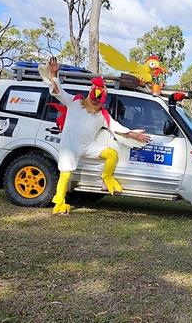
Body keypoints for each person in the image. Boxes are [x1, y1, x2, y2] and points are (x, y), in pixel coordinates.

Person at [43, 57, 150, 214]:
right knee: (65, 175)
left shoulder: (102, 115)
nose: (96, 101)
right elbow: (58, 92)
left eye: (99, 99)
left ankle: (106, 178)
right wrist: (54, 74)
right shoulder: (74, 102)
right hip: (69, 146)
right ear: (90, 92)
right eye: (95, 96)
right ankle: (59, 204)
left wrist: (135, 136)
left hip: (88, 147)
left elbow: (117, 128)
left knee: (111, 154)